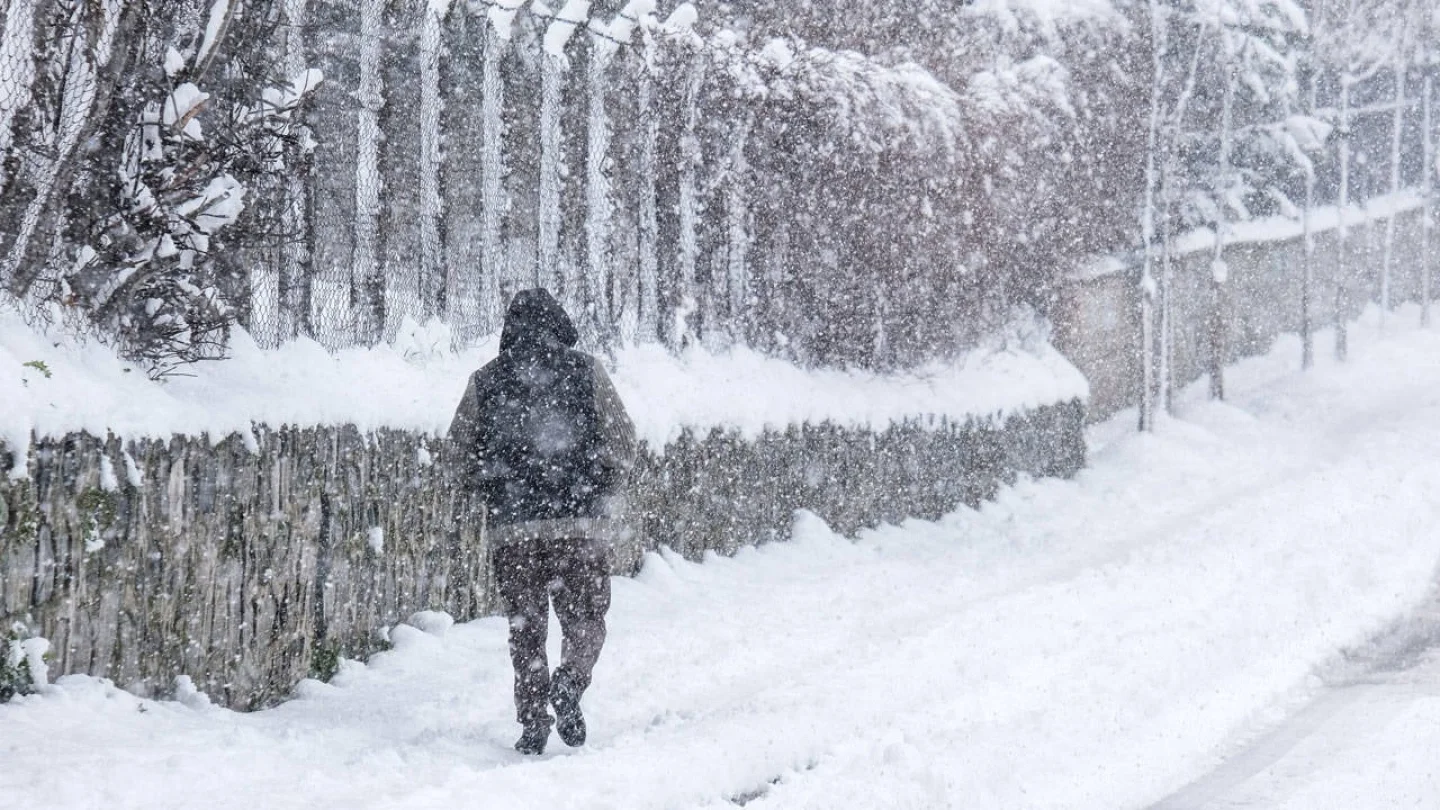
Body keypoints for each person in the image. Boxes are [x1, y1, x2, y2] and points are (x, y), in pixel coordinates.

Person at [447, 289, 636, 756]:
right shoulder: (586, 371)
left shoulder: (486, 381)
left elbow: (455, 456)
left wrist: (490, 483)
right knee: (586, 619)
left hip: (514, 530)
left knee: (526, 628)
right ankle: (569, 682)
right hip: (581, 526)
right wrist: (601, 480)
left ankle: (533, 721)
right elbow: (624, 440)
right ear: (561, 324)